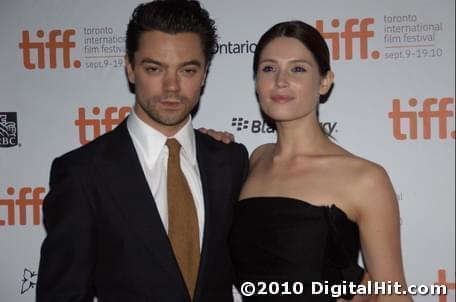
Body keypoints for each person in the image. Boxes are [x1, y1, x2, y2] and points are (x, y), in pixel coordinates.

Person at [36, 1, 249, 301]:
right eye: (154, 68)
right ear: (130, 68)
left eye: (187, 69)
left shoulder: (230, 161)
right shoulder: (82, 174)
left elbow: (253, 268)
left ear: (204, 74)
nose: (172, 86)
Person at [229, 21, 411, 301]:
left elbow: (392, 295)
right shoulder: (256, 159)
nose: (281, 80)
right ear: (256, 82)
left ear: (324, 81)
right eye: (269, 68)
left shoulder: (365, 178)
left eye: (298, 69)